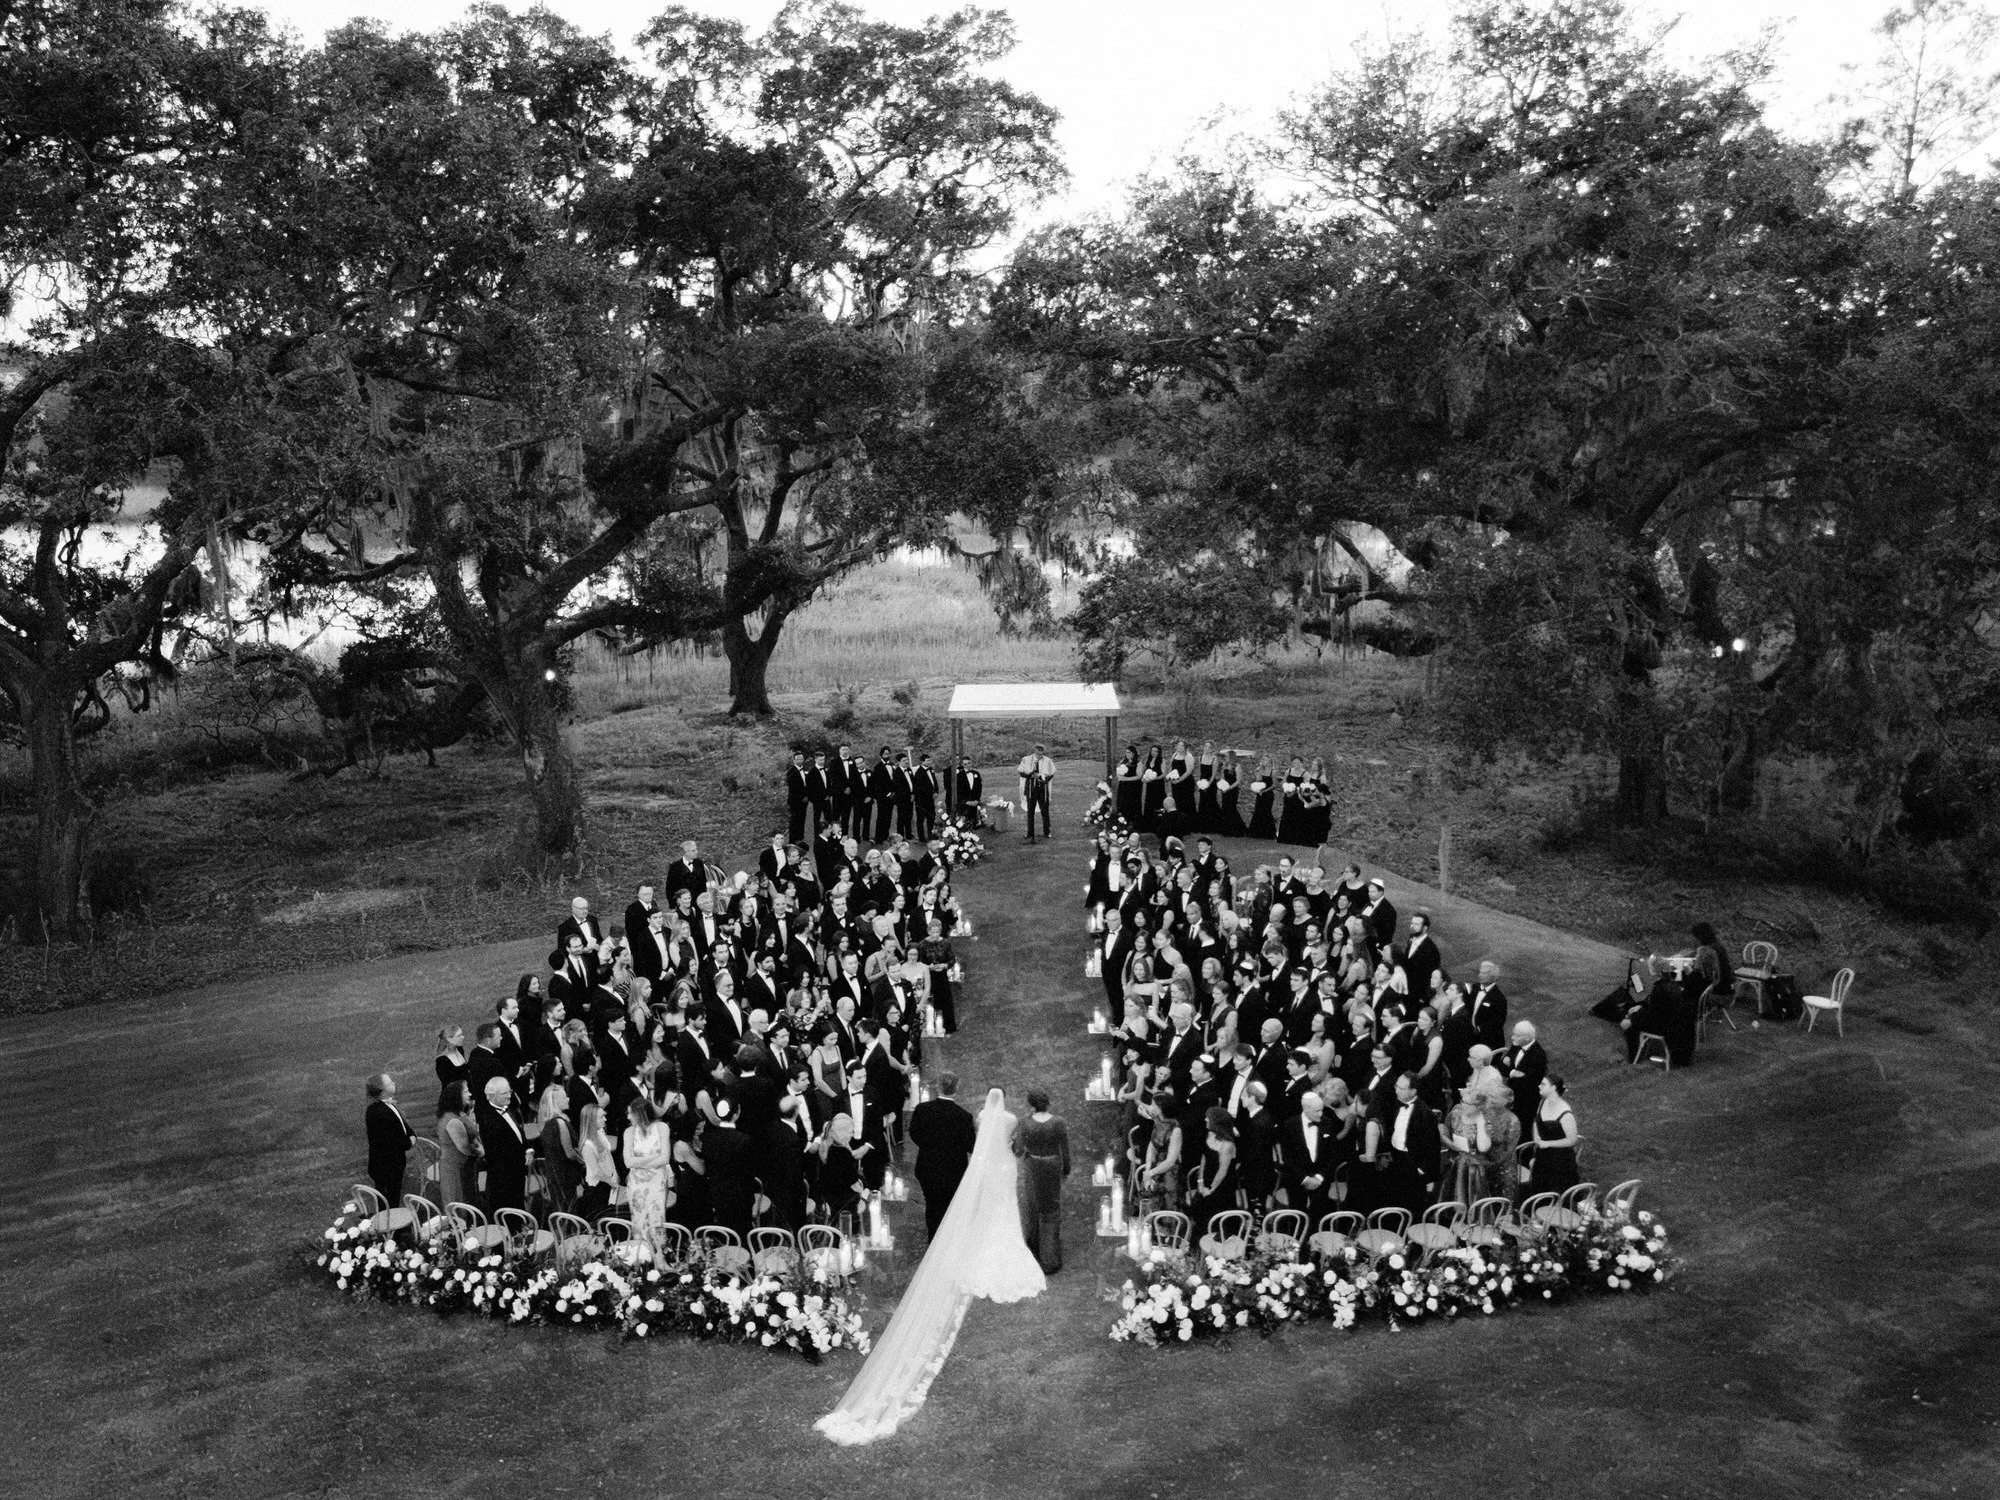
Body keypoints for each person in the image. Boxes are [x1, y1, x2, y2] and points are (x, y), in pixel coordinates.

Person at [817, 1088, 1044, 1446]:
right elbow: (1004, 1141)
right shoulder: (1009, 1120)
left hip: (976, 1167)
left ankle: (961, 1238)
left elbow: (958, 1139)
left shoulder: (979, 1117)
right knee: (1003, 1210)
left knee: (967, 1209)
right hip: (1003, 1167)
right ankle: (1002, 1243)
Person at [907, 1070, 978, 1238]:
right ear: (956, 1089)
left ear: (937, 1087)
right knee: (950, 1208)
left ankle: (933, 1239)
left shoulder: (922, 1109)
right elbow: (970, 1146)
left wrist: (929, 1147)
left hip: (927, 1168)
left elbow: (914, 1133)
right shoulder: (964, 1117)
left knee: (932, 1206)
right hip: (953, 1172)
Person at [1013, 1086, 1070, 1273]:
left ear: (1031, 1105)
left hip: (1033, 1168)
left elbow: (1018, 1150)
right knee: (1051, 1209)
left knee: (1033, 1206)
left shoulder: (1025, 1122)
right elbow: (1065, 1150)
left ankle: (1034, 1251)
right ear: (1047, 1103)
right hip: (1052, 1166)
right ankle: (1050, 1259)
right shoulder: (1059, 1122)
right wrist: (1065, 1169)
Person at [1444, 1077, 1519, 1205]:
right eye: (1490, 1098)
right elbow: (1446, 1131)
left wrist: (1480, 1123)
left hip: (1492, 1165)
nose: (1491, 1102)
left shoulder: (1508, 1120)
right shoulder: (1462, 1114)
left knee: (1492, 1199)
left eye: (1495, 1099)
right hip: (1468, 1163)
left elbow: (1501, 1149)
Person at [476, 1077, 535, 1213]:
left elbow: (519, 1132)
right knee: (508, 1210)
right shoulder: (488, 1120)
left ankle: (521, 1226)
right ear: (491, 1096)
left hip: (517, 1171)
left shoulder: (508, 1108)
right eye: (504, 1093)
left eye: (509, 1091)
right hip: (503, 1177)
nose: (509, 1096)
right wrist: (520, 1159)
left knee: (518, 1204)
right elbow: (496, 1153)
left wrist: (528, 1149)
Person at [1185, 1106, 1240, 1238]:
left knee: (1217, 1218)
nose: (1205, 1119)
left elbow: (1222, 1171)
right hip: (1206, 1180)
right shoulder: (1210, 1134)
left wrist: (1210, 1189)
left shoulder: (1228, 1144)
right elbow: (1204, 1157)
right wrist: (1200, 1181)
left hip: (1222, 1186)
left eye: (1208, 1117)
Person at [1523, 1074, 1581, 1198]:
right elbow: (1536, 1121)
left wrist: (1548, 1143)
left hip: (1559, 1162)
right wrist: (1536, 1137)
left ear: (1553, 1088)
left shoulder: (1565, 1113)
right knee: (1539, 1192)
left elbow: (1572, 1140)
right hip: (1542, 1156)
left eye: (1543, 1084)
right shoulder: (1543, 1102)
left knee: (1556, 1194)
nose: (1539, 1086)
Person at [623, 1095, 672, 1241]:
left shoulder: (662, 1128)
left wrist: (639, 1162)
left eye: (630, 1113)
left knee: (657, 1218)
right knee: (638, 1219)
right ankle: (642, 1254)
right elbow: (628, 1163)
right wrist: (653, 1159)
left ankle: (658, 1253)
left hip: (657, 1182)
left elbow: (665, 1158)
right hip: (636, 1184)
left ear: (640, 1114)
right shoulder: (629, 1132)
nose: (628, 1117)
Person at [364, 1074, 415, 1205]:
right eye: (390, 1082)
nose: (393, 1082)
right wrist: (409, 1141)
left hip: (389, 1163)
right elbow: (393, 1141)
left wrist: (410, 1133)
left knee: (392, 1194)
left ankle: (390, 1217)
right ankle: (392, 1221)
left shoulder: (386, 1107)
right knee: (389, 1197)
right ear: (382, 1090)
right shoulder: (381, 1114)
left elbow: (402, 1124)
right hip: (387, 1166)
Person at [434, 1080, 480, 1208]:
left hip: (464, 1167)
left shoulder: (460, 1114)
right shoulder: (453, 1121)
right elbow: (464, 1148)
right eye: (465, 1091)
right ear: (457, 1096)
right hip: (456, 1170)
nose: (470, 1094)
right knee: (461, 1203)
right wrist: (480, 1151)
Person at [574, 1101, 619, 1222]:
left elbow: (608, 1155)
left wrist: (615, 1172)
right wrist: (611, 1182)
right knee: (601, 1219)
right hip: (598, 1187)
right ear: (591, 1121)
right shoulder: (587, 1146)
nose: (605, 1119)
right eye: (601, 1117)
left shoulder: (600, 1133)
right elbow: (596, 1171)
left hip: (609, 1180)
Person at [1017, 743, 1055, 842]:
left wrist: (1045, 780)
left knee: (1045, 810)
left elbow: (1052, 773)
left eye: (1041, 753)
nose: (1040, 755)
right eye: (1038, 753)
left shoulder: (1048, 761)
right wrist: (1030, 775)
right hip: (1031, 787)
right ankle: (1030, 832)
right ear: (1035, 751)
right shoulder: (1026, 759)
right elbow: (1020, 772)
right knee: (1030, 811)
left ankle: (1046, 831)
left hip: (1042, 787)